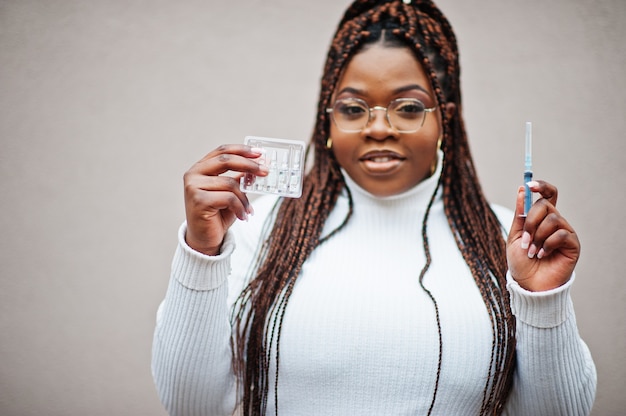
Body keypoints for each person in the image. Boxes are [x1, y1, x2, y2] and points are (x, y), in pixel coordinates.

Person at [151, 0, 597, 415]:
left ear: (446, 118)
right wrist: (201, 254)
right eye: (353, 108)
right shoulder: (255, 226)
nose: (378, 127)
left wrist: (542, 301)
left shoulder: (508, 242)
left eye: (408, 107)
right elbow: (190, 406)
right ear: (328, 120)